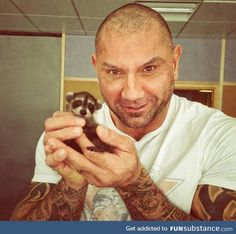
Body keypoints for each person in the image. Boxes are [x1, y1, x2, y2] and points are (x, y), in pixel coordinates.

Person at [10, 3, 236, 221]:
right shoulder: (69, 136)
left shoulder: (221, 136)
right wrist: (72, 183)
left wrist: (134, 183)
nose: (132, 94)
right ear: (96, 68)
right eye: (114, 71)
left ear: (174, 64)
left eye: (149, 69)